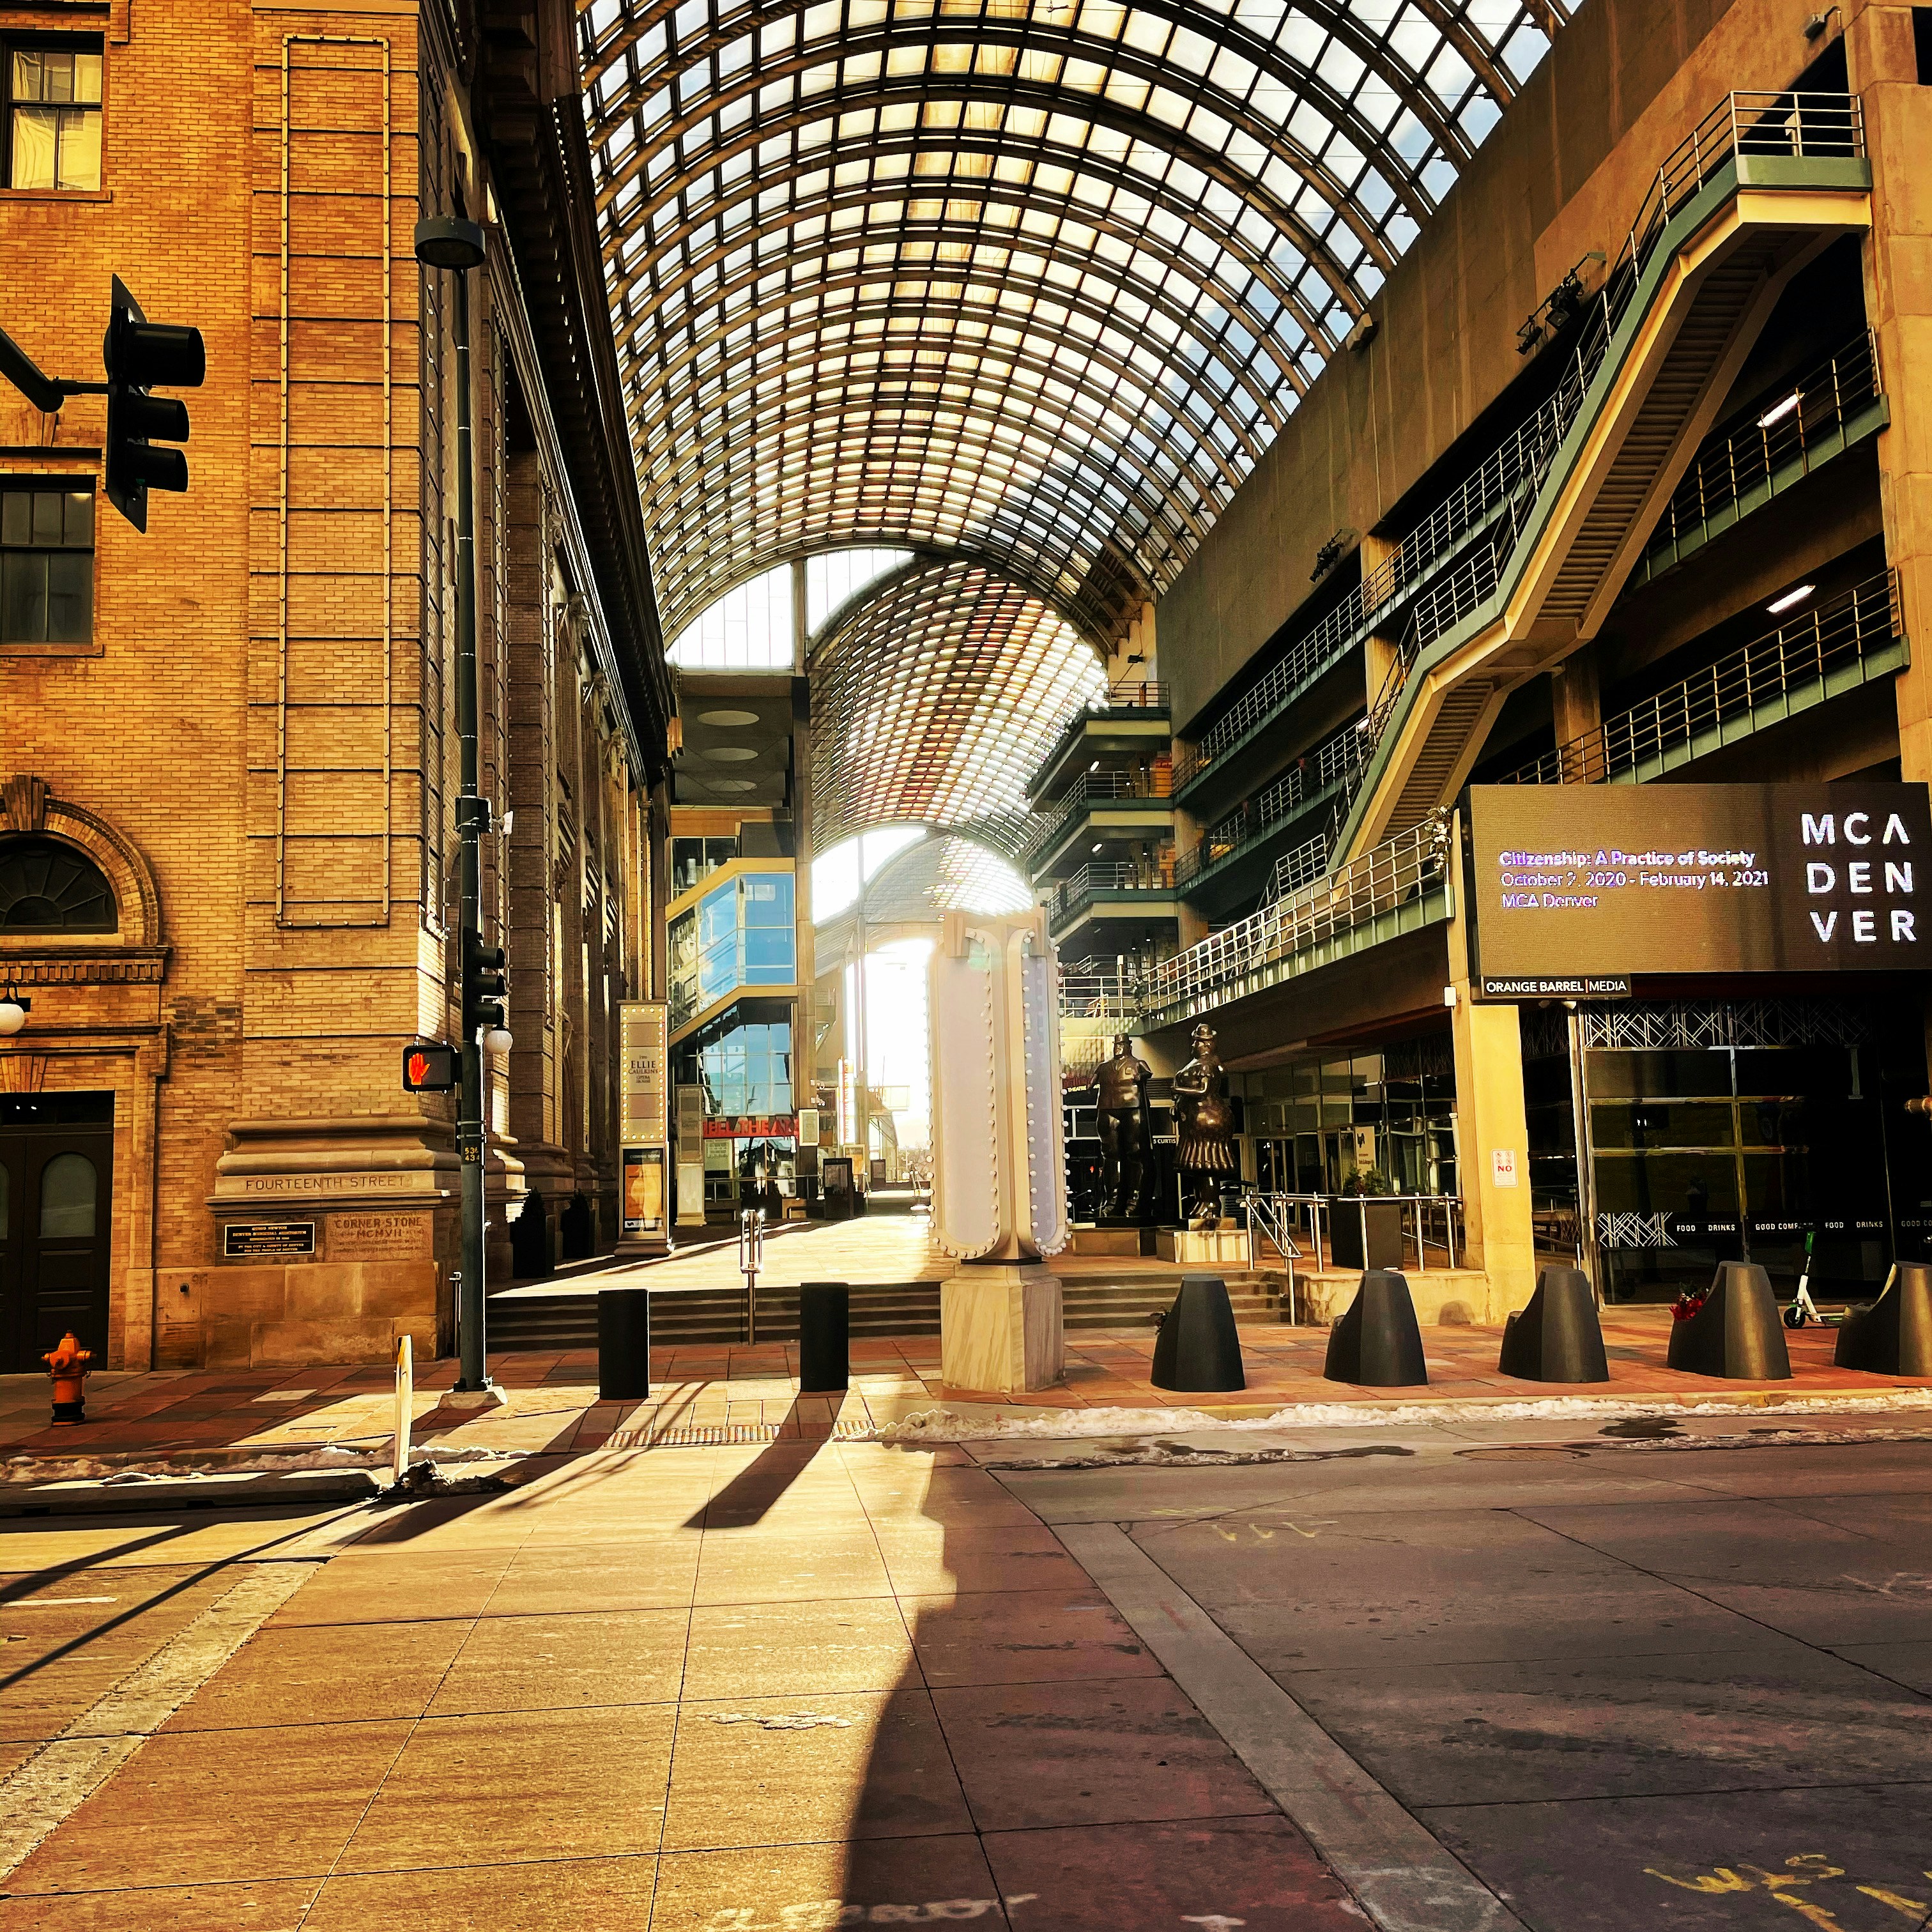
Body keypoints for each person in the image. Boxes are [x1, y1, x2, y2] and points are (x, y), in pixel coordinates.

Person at [1172, 1022, 1237, 1228]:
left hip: (1208, 1119)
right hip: (1197, 1119)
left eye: (1198, 1042)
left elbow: (1204, 1090)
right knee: (1199, 1167)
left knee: (1207, 1164)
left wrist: (1178, 1090)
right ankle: (1202, 1202)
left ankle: (1210, 1204)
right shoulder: (1197, 1063)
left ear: (1206, 1045)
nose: (1194, 1045)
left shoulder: (1208, 1064)